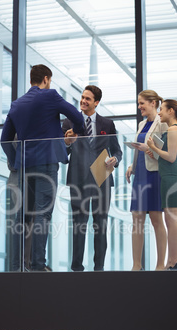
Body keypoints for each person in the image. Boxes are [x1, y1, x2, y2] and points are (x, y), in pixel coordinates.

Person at [1, 64, 84, 271]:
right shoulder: (50, 96)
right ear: (46, 79)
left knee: (21, 216)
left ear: (31, 80)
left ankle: (15, 267)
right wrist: (77, 130)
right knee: (42, 213)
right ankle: (38, 265)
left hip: (23, 168)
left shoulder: (17, 104)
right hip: (46, 164)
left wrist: (16, 160)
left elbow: (4, 140)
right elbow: (78, 117)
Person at [62, 85, 122, 271]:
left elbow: (117, 150)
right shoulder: (68, 123)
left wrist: (116, 159)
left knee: (100, 224)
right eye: (82, 97)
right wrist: (67, 143)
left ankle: (99, 268)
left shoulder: (107, 124)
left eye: (88, 99)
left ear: (96, 102)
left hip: (101, 175)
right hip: (78, 177)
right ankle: (77, 267)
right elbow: (62, 153)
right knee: (79, 223)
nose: (83, 101)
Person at [125, 90, 168, 271]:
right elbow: (138, 149)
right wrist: (132, 167)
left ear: (153, 103)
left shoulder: (162, 124)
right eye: (138, 103)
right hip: (140, 174)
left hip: (154, 174)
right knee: (137, 218)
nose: (139, 107)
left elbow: (166, 153)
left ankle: (160, 265)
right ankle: (136, 265)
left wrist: (148, 149)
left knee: (157, 219)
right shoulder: (142, 123)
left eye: (142, 103)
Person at [147, 99, 177, 270]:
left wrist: (154, 147)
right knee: (169, 219)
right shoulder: (174, 130)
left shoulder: (173, 129)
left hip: (173, 177)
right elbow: (169, 157)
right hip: (169, 176)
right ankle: (171, 260)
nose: (159, 113)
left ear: (171, 111)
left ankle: (174, 260)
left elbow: (171, 157)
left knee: (172, 219)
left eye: (162, 110)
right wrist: (155, 153)